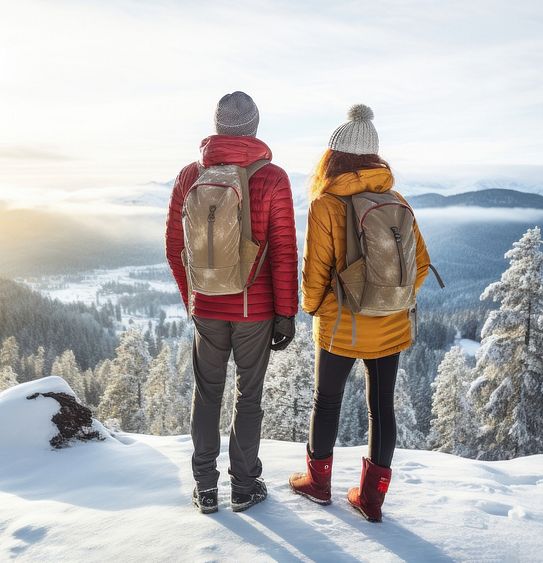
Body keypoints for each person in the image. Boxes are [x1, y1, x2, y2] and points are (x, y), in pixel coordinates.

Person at [290, 104, 437, 522]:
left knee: (327, 402)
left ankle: (318, 484)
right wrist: (391, 299)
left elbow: (315, 269)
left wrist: (313, 308)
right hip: (390, 325)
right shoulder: (396, 199)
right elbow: (421, 264)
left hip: (340, 324)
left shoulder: (326, 204)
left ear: (333, 156)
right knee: (382, 409)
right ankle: (371, 500)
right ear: (375, 157)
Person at [165, 91, 299, 514]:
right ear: (254, 127)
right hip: (254, 310)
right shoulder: (272, 177)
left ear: (218, 126)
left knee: (207, 395)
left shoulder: (190, 175)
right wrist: (286, 313)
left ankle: (205, 487)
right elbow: (283, 249)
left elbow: (174, 245)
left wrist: (194, 297)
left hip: (207, 307)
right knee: (249, 396)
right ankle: (244, 486)